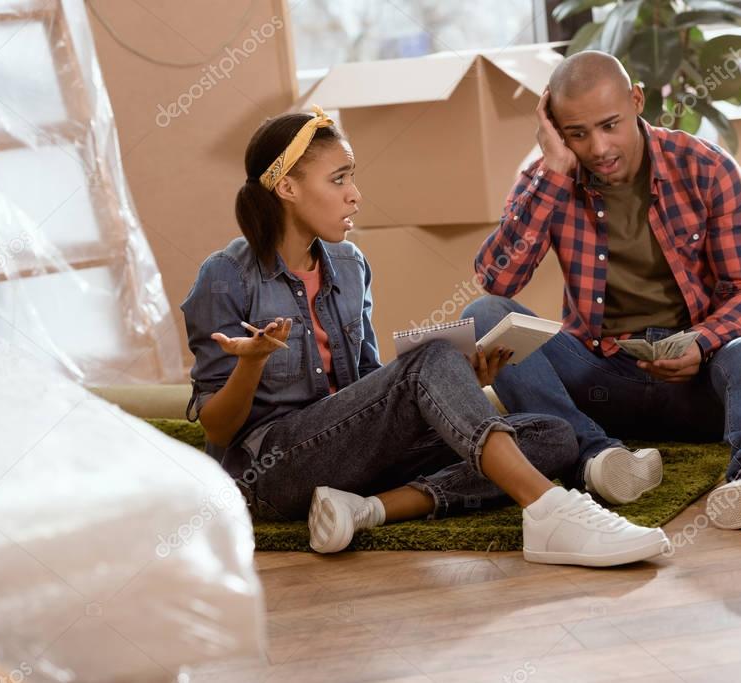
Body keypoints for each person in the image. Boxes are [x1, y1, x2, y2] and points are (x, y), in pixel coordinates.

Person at [180, 105, 670, 566]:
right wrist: (251, 362)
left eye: (352, 176)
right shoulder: (226, 276)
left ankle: (365, 510)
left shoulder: (350, 266)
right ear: (286, 188)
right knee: (430, 359)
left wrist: (463, 383)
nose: (355, 194)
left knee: (550, 436)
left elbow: (366, 389)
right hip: (271, 473)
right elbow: (219, 430)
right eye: (339, 179)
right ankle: (548, 512)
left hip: (350, 460)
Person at [462, 52, 741, 531]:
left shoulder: (705, 167)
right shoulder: (547, 179)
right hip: (600, 380)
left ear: (637, 100)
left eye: (609, 125)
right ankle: (596, 457)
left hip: (700, 384)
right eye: (577, 134)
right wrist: (556, 171)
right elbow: (498, 279)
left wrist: (702, 342)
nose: (598, 147)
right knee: (486, 312)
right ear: (556, 131)